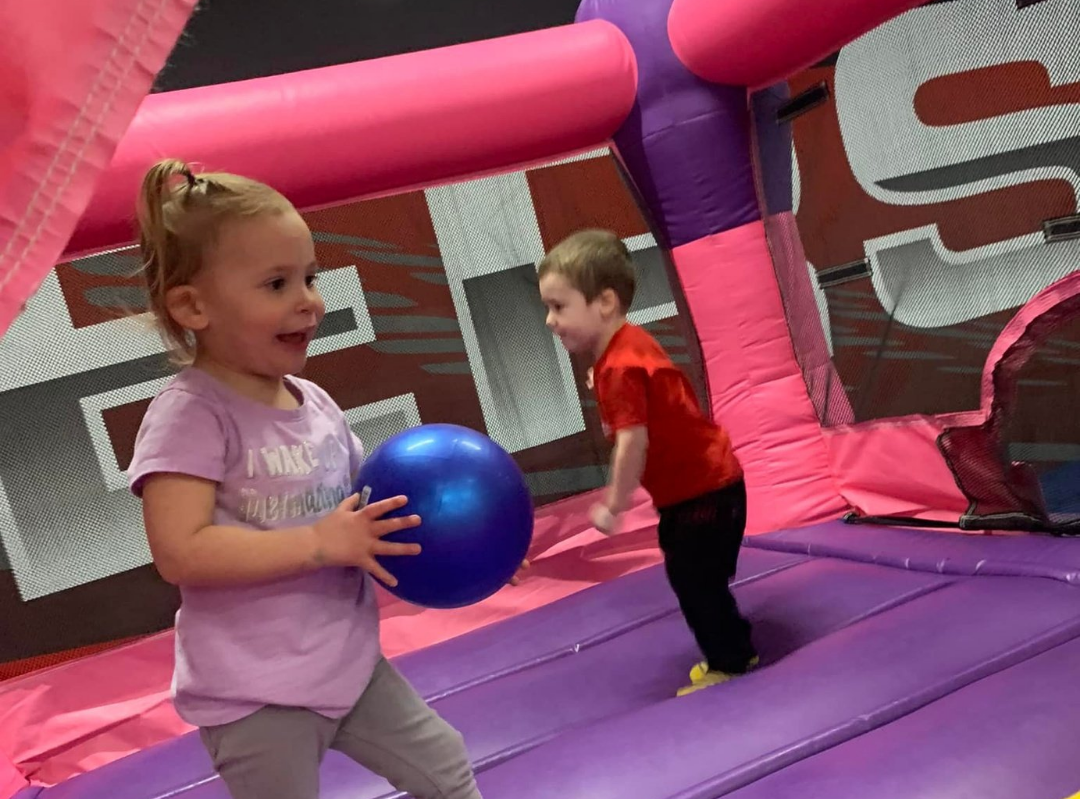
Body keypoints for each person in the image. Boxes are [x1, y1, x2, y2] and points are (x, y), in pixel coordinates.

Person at [126, 158, 488, 799]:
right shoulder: (191, 413)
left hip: (348, 666)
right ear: (192, 305)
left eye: (309, 277)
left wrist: (467, 547)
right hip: (255, 695)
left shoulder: (313, 402)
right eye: (275, 284)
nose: (309, 301)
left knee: (445, 765)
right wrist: (318, 544)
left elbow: (371, 503)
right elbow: (179, 550)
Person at [537, 228, 757, 697]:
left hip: (702, 493)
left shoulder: (618, 367)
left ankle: (731, 660)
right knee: (696, 574)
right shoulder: (630, 344)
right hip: (713, 484)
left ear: (605, 303)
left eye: (559, 307)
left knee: (693, 579)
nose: (550, 321)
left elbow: (632, 443)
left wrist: (614, 503)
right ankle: (732, 642)